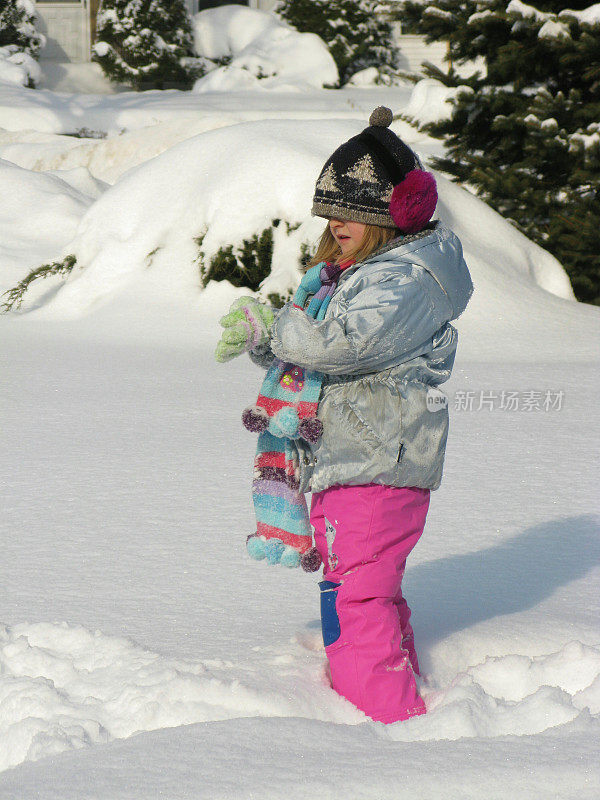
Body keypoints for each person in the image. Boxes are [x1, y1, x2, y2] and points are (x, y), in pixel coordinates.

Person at [215, 106, 473, 724]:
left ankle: (384, 724)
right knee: (360, 592)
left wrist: (278, 327)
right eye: (330, 209)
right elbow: (318, 358)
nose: (337, 222)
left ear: (395, 212)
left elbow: (346, 344)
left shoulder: (408, 279)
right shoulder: (351, 276)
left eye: (352, 209)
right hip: (349, 458)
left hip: (381, 460)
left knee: (356, 597)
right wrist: (265, 343)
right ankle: (397, 706)